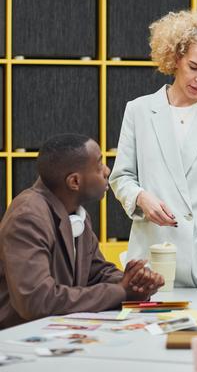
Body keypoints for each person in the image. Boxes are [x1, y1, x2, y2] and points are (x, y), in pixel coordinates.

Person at [109, 9, 197, 289]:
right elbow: (121, 177)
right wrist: (141, 198)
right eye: (194, 67)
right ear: (176, 59)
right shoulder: (139, 111)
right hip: (154, 255)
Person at [0, 134, 163, 329]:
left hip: (54, 332)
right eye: (99, 165)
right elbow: (37, 300)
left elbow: (97, 272)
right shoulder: (27, 217)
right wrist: (121, 292)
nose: (107, 171)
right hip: (18, 339)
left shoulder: (77, 215)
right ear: (74, 182)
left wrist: (135, 283)